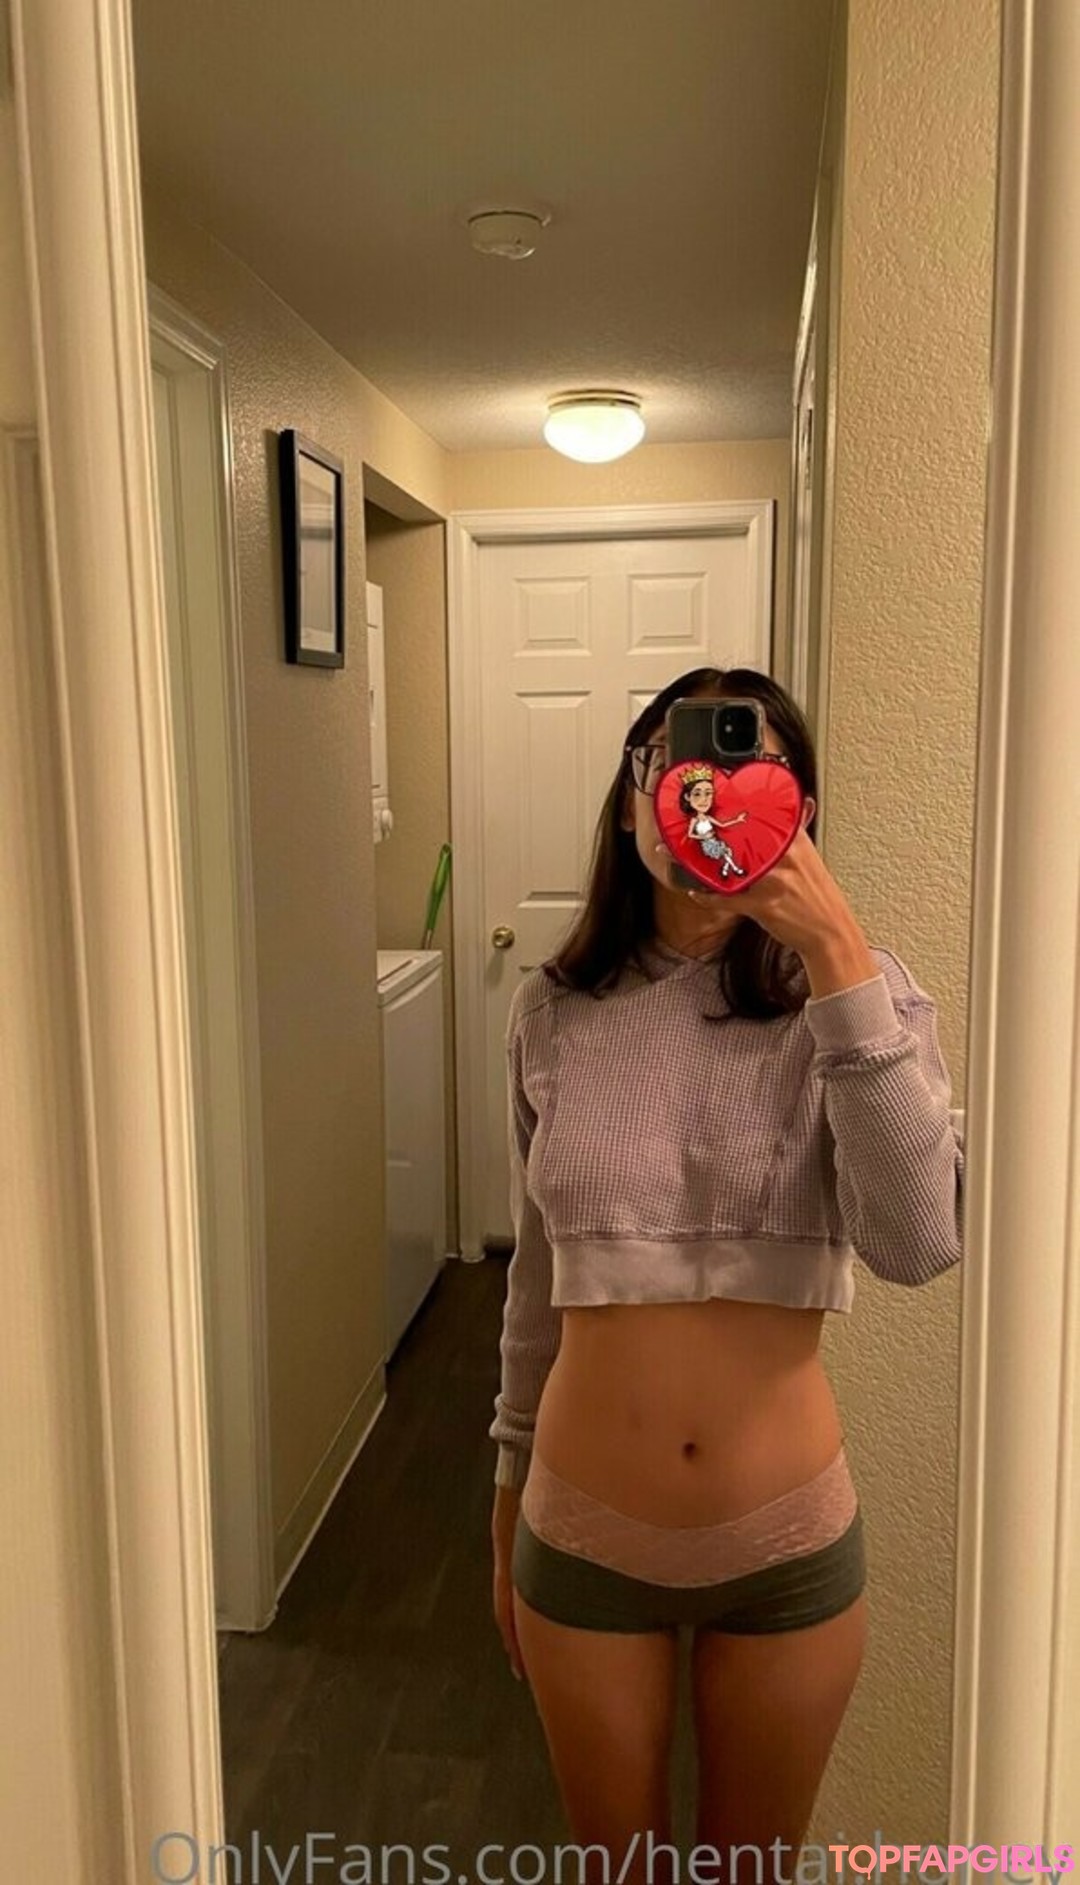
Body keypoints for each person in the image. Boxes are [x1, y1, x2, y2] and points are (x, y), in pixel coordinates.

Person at [488, 665, 964, 1882]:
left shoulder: (860, 999)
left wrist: (836, 952)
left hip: (786, 1544)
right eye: (676, 763)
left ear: (797, 805)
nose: (704, 795)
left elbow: (919, 1241)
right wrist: (501, 1503)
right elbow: (537, 1285)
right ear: (633, 797)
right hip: (579, 1530)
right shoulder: (553, 1015)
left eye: (747, 767)